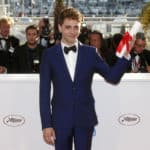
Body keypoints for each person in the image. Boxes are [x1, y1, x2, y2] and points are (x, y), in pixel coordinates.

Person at [39, 7, 131, 150]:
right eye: (68, 27)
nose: (72, 31)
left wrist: (125, 56)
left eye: (76, 27)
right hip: (60, 120)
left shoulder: (91, 52)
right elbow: (44, 93)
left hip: (84, 118)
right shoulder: (49, 55)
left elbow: (112, 77)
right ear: (60, 27)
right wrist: (46, 124)